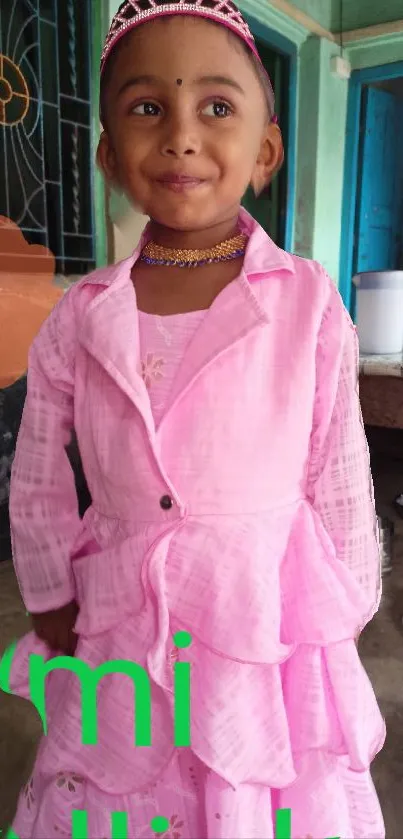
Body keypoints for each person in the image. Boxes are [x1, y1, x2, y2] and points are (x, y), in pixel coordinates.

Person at [6, 0, 385, 836]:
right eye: (147, 108)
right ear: (108, 152)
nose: (181, 135)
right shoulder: (81, 315)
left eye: (217, 107)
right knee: (119, 773)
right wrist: (46, 590)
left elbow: (337, 467)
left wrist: (340, 612)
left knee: (247, 784)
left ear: (266, 151)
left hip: (263, 618)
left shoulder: (307, 304)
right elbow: (37, 463)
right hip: (115, 612)